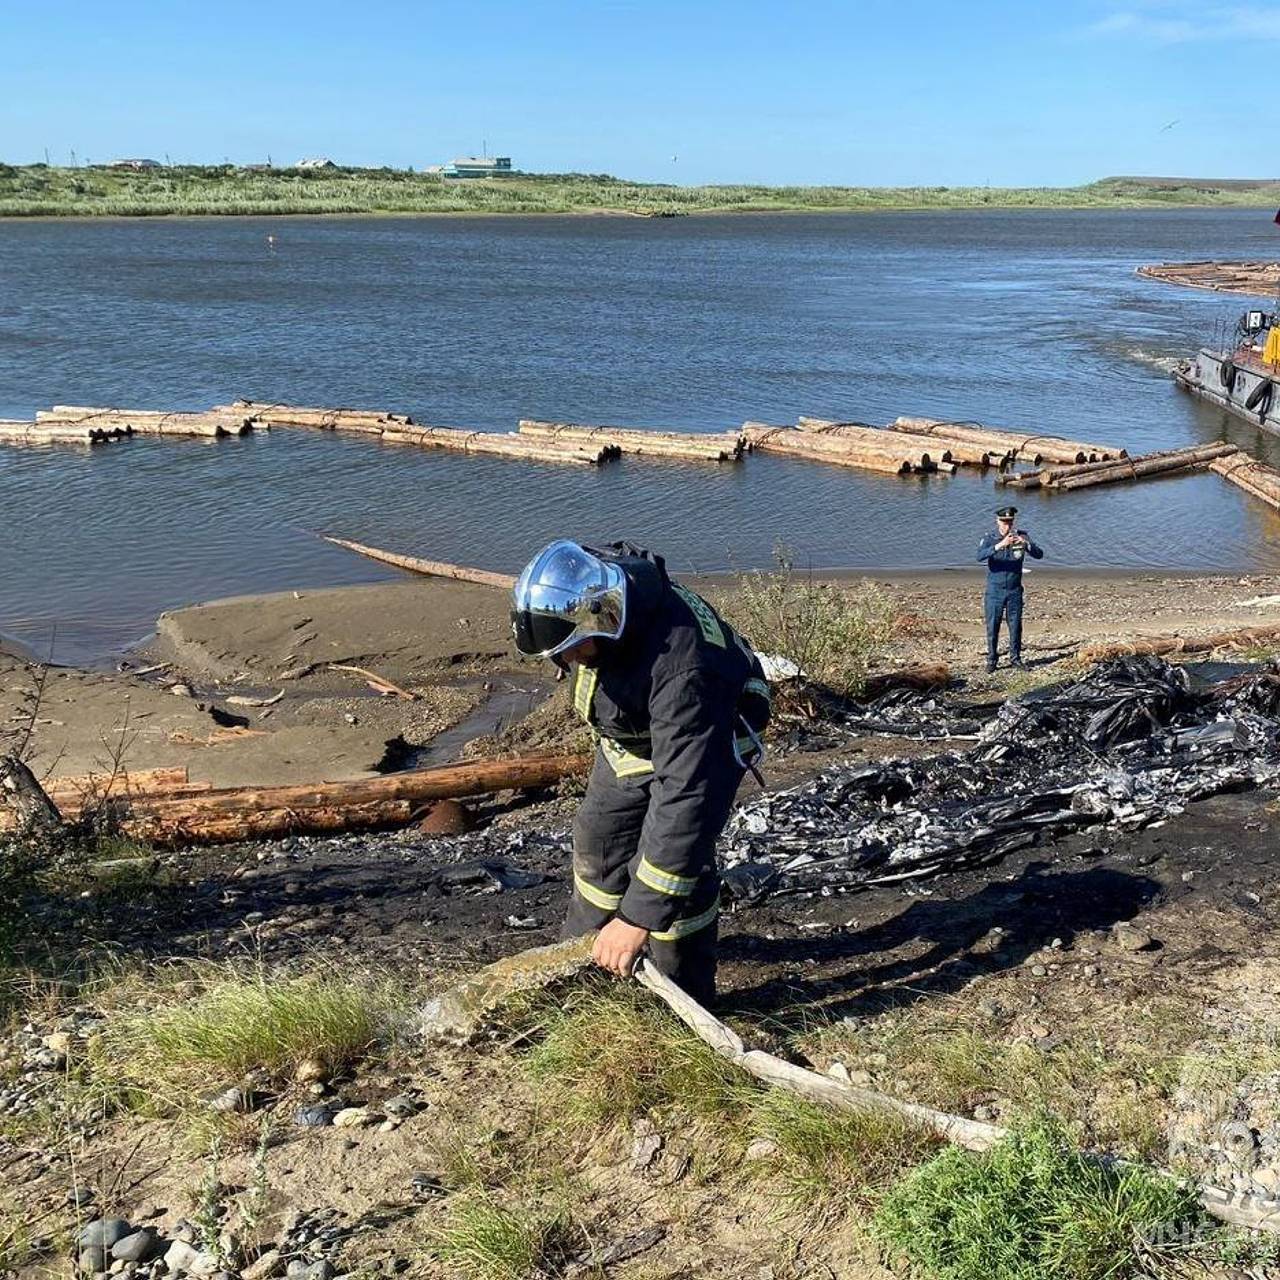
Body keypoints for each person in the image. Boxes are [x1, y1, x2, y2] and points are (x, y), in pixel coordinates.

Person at [510, 540, 770, 1003]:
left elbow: (688, 800)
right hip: (633, 737)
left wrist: (636, 920)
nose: (566, 662)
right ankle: (584, 962)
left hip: (708, 738)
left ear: (599, 618)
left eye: (571, 650)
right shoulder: (606, 583)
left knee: (677, 868)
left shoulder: (684, 672)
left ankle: (683, 993)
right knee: (599, 841)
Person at [977, 505, 1043, 672]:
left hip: (1014, 590)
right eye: (1004, 522)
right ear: (997, 521)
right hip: (995, 591)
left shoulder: (1021, 535)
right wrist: (1000, 545)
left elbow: (1039, 554)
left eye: (1010, 522)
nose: (1007, 525)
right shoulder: (990, 538)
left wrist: (1026, 544)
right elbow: (979, 556)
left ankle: (1015, 658)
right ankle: (992, 660)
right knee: (993, 625)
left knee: (1015, 625)